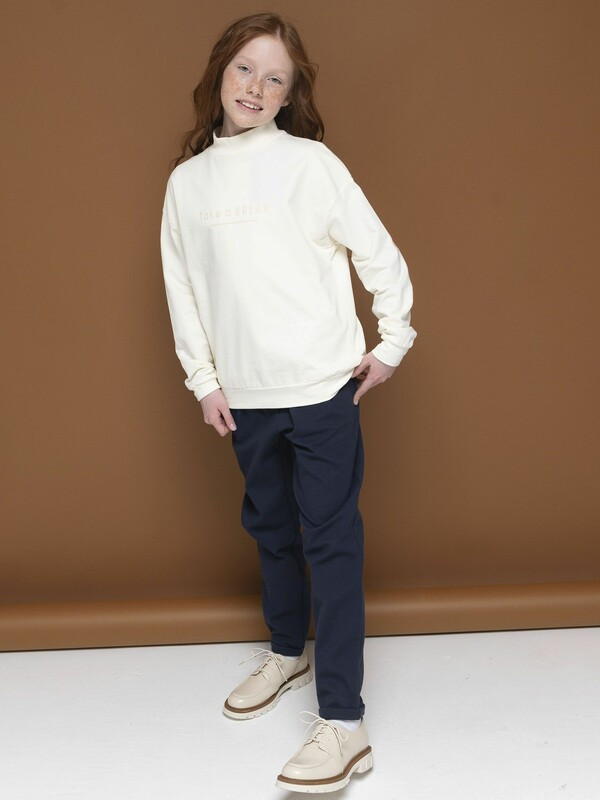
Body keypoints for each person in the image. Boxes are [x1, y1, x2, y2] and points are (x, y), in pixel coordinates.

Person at [160, 11, 417, 793]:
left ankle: (344, 722)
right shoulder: (187, 183)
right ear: (220, 72)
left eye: (275, 78)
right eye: (245, 69)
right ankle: (286, 651)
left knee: (331, 544)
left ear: (289, 94)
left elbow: (379, 254)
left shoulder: (312, 165)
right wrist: (204, 379)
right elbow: (182, 288)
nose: (256, 87)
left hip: (321, 388)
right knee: (270, 528)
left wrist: (393, 341)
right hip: (246, 397)